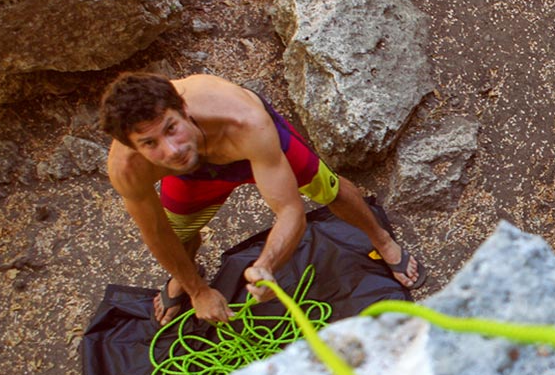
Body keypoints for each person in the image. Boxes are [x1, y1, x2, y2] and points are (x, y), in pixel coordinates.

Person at [100, 71, 427, 326]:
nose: (171, 150)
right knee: (177, 233)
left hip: (248, 148)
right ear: (132, 146)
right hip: (193, 178)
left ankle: (381, 240)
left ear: (183, 109)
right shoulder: (128, 169)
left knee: (325, 187)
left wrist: (267, 265)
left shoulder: (243, 121)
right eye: (150, 143)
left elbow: (290, 210)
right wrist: (199, 291)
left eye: (172, 128)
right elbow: (156, 233)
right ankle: (186, 279)